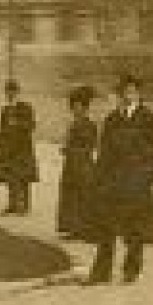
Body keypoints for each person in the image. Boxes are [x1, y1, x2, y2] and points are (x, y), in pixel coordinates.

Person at [86, 74, 153, 284]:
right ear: (120, 94)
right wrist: (98, 178)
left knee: (135, 229)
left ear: (138, 93)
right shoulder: (112, 119)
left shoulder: (149, 119)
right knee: (106, 227)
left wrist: (150, 176)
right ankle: (101, 272)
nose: (128, 95)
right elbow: (104, 151)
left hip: (137, 182)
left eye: (132, 91)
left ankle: (131, 270)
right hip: (113, 182)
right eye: (124, 91)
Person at [56, 85, 98, 238]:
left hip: (83, 166)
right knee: (71, 196)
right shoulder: (73, 124)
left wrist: (69, 150)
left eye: (78, 107)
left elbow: (88, 146)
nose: (75, 110)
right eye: (73, 107)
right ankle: (74, 228)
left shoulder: (89, 125)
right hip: (72, 164)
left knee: (82, 196)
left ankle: (83, 229)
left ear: (85, 108)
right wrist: (67, 148)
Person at [0, 79, 38, 215]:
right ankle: (12, 204)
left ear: (17, 92)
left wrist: (18, 123)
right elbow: (1, 130)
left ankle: (24, 206)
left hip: (23, 147)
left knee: (23, 177)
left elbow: (31, 126)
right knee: (10, 176)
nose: (10, 95)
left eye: (12, 92)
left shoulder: (26, 107)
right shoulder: (5, 110)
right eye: (8, 92)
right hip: (9, 148)